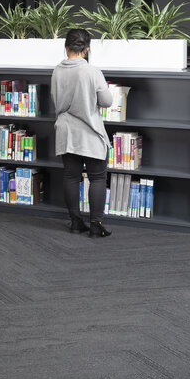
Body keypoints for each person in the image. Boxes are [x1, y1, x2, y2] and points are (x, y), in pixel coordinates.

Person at [52, 28, 114, 238]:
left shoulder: (57, 70)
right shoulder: (92, 71)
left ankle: (75, 222)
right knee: (97, 178)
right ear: (87, 49)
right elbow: (107, 102)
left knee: (71, 177)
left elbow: (55, 99)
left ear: (66, 47)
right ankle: (96, 225)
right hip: (90, 132)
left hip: (66, 131)